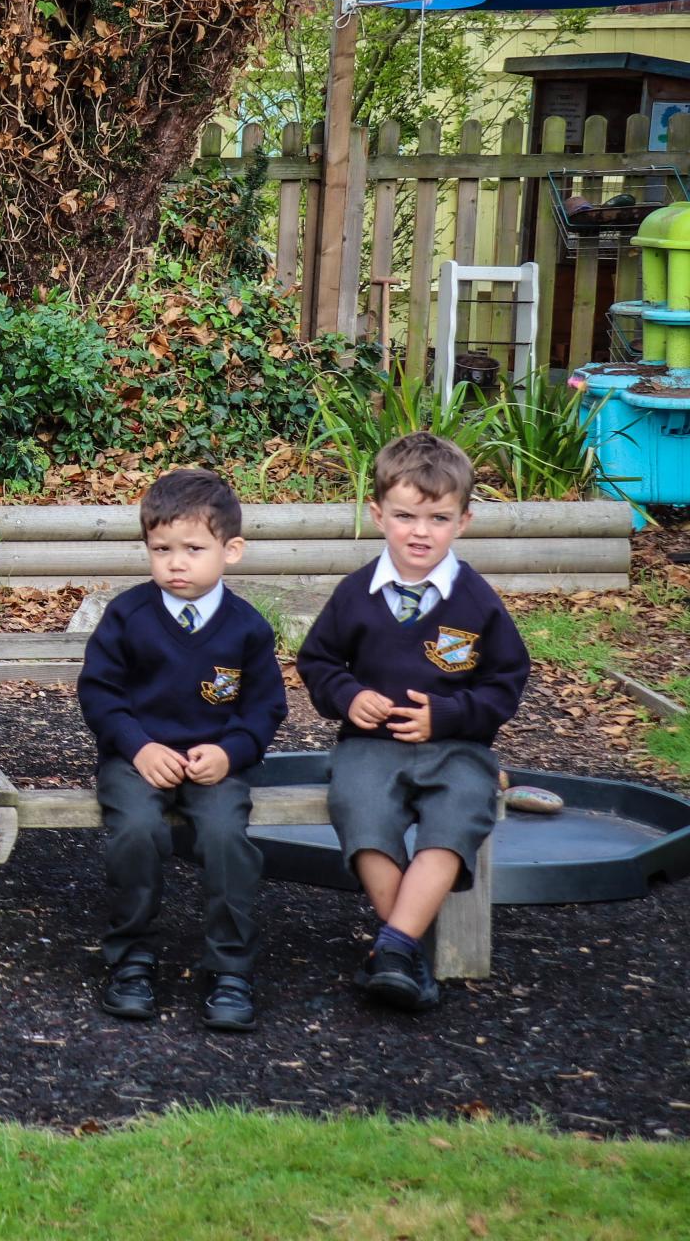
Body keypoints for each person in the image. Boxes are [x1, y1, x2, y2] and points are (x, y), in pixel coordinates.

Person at [296, 433, 530, 1012]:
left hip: (457, 750)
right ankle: (403, 947)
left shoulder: (477, 602)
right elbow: (318, 661)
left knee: (457, 813)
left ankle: (393, 948)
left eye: (438, 518)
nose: (420, 531)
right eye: (404, 516)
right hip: (369, 748)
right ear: (378, 515)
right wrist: (349, 697)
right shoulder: (356, 595)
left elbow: (506, 681)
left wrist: (449, 714)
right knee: (359, 809)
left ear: (464, 522)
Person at [75, 469, 287, 1032]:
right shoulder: (128, 617)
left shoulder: (246, 628)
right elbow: (99, 691)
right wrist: (137, 747)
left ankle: (230, 970)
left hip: (215, 764)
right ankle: (132, 960)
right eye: (161, 549)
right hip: (136, 759)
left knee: (225, 838)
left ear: (231, 550)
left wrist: (233, 752)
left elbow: (265, 708)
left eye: (193, 549)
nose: (176, 563)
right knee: (137, 832)